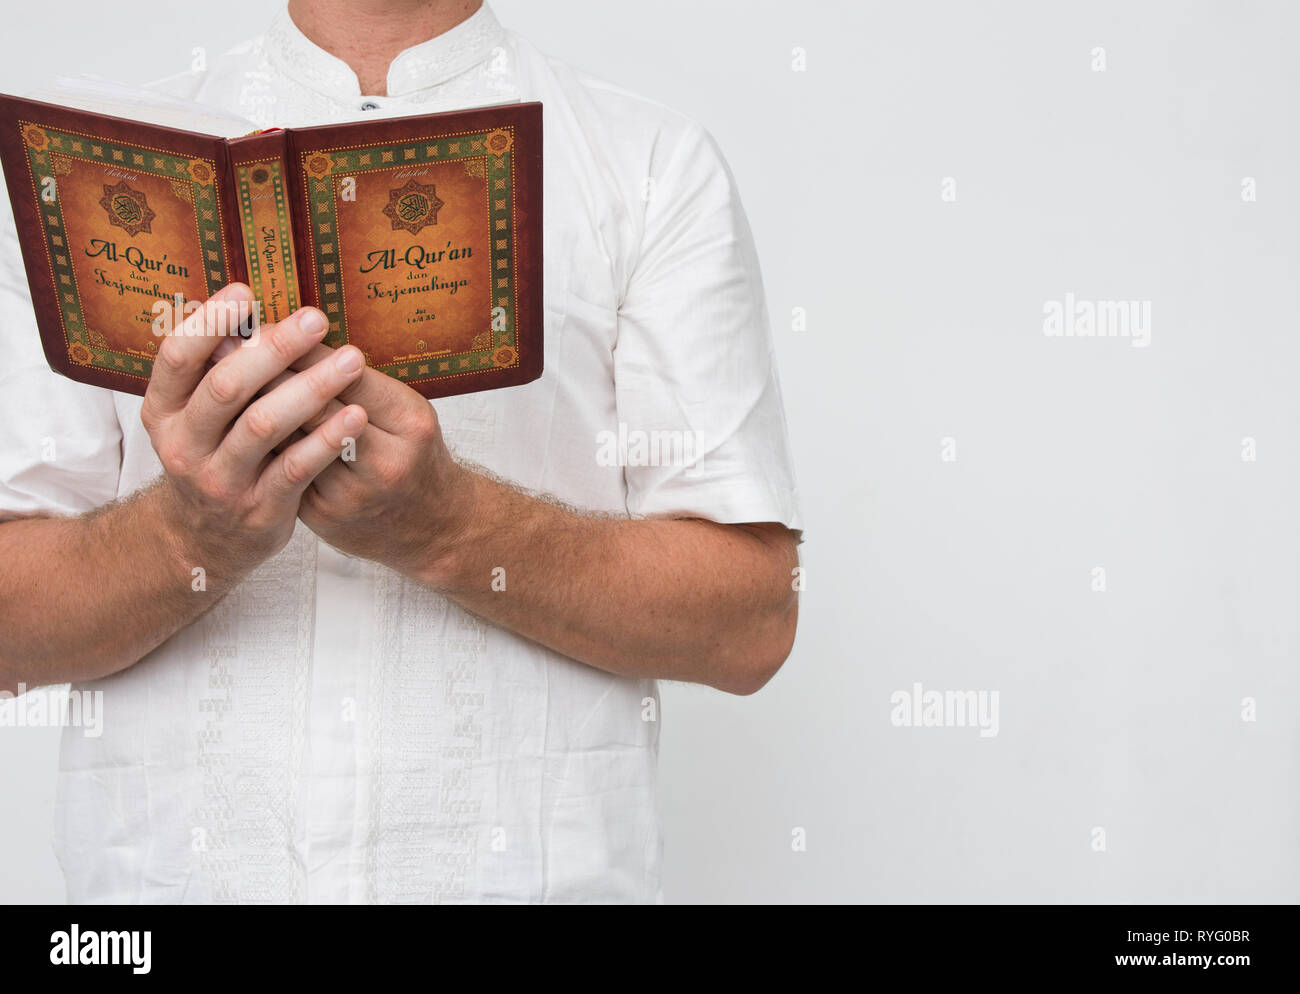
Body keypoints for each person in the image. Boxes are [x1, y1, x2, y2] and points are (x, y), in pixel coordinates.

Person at [0, 0, 801, 903]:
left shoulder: (651, 164)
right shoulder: (94, 174)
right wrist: (191, 537)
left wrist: (446, 526)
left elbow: (753, 625)